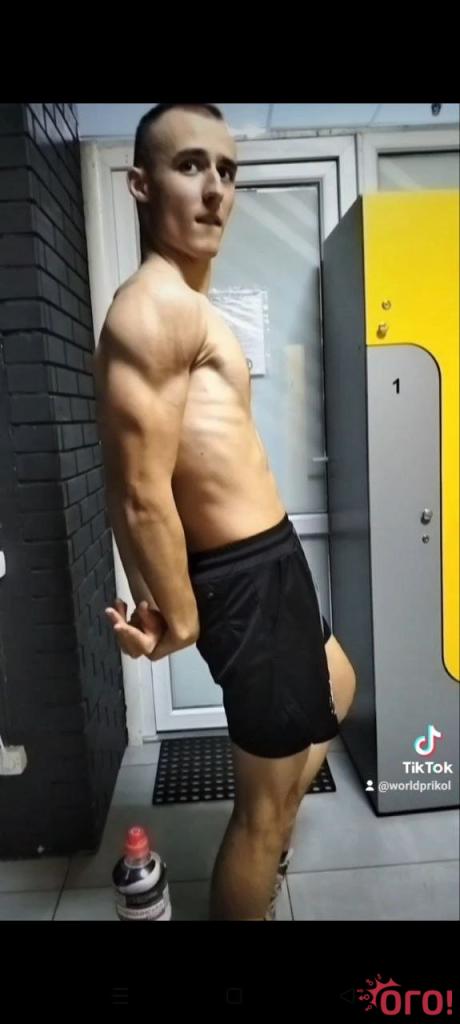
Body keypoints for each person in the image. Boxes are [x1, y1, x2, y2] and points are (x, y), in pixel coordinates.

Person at [93, 103, 357, 921]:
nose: (214, 189)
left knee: (338, 684)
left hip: (272, 558)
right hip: (243, 580)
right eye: (189, 166)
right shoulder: (151, 308)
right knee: (261, 813)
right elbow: (136, 490)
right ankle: (259, 859)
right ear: (141, 184)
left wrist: (164, 596)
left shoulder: (192, 305)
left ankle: (270, 830)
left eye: (227, 170)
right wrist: (175, 612)